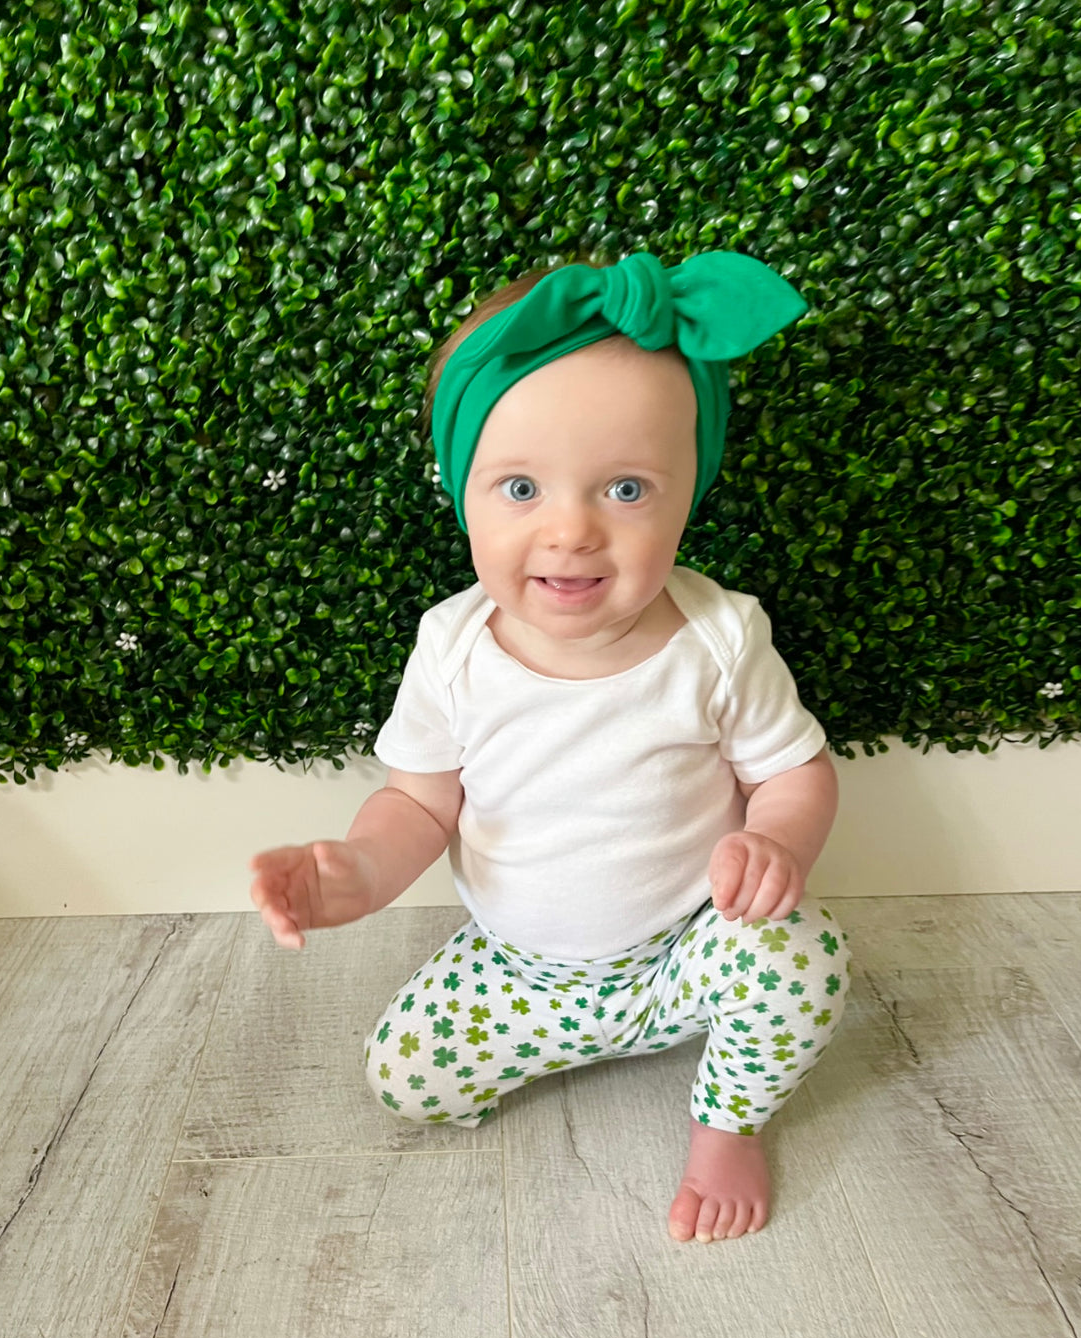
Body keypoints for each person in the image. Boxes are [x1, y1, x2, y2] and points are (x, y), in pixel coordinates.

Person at [250, 251, 850, 1243]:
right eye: (521, 487)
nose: (571, 531)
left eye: (626, 489)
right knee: (400, 1079)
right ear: (462, 493)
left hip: (684, 955)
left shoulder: (716, 636)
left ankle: (727, 1123)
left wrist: (778, 840)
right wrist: (354, 871)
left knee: (801, 961)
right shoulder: (453, 650)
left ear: (688, 492)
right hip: (520, 974)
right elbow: (418, 802)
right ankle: (554, 1043)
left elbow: (791, 769)